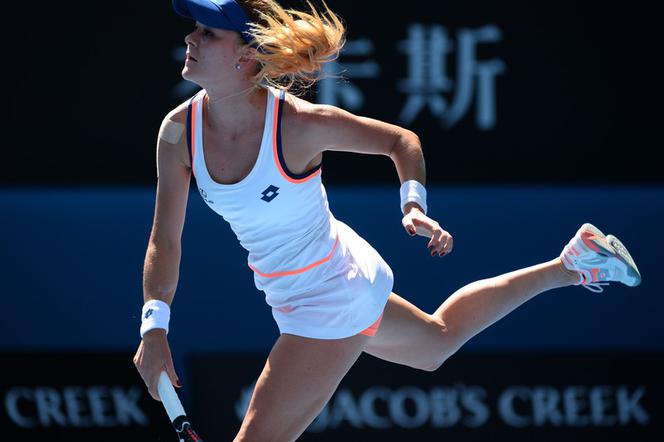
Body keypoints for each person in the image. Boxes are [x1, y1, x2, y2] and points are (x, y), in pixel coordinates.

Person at [133, 0, 642, 440]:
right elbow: (166, 240)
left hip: (330, 294)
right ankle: (573, 264)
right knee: (435, 344)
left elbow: (402, 142)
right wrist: (154, 328)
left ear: (246, 58)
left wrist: (413, 204)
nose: (189, 38)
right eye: (194, 28)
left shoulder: (299, 126)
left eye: (206, 32)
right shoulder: (178, 134)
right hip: (305, 280)